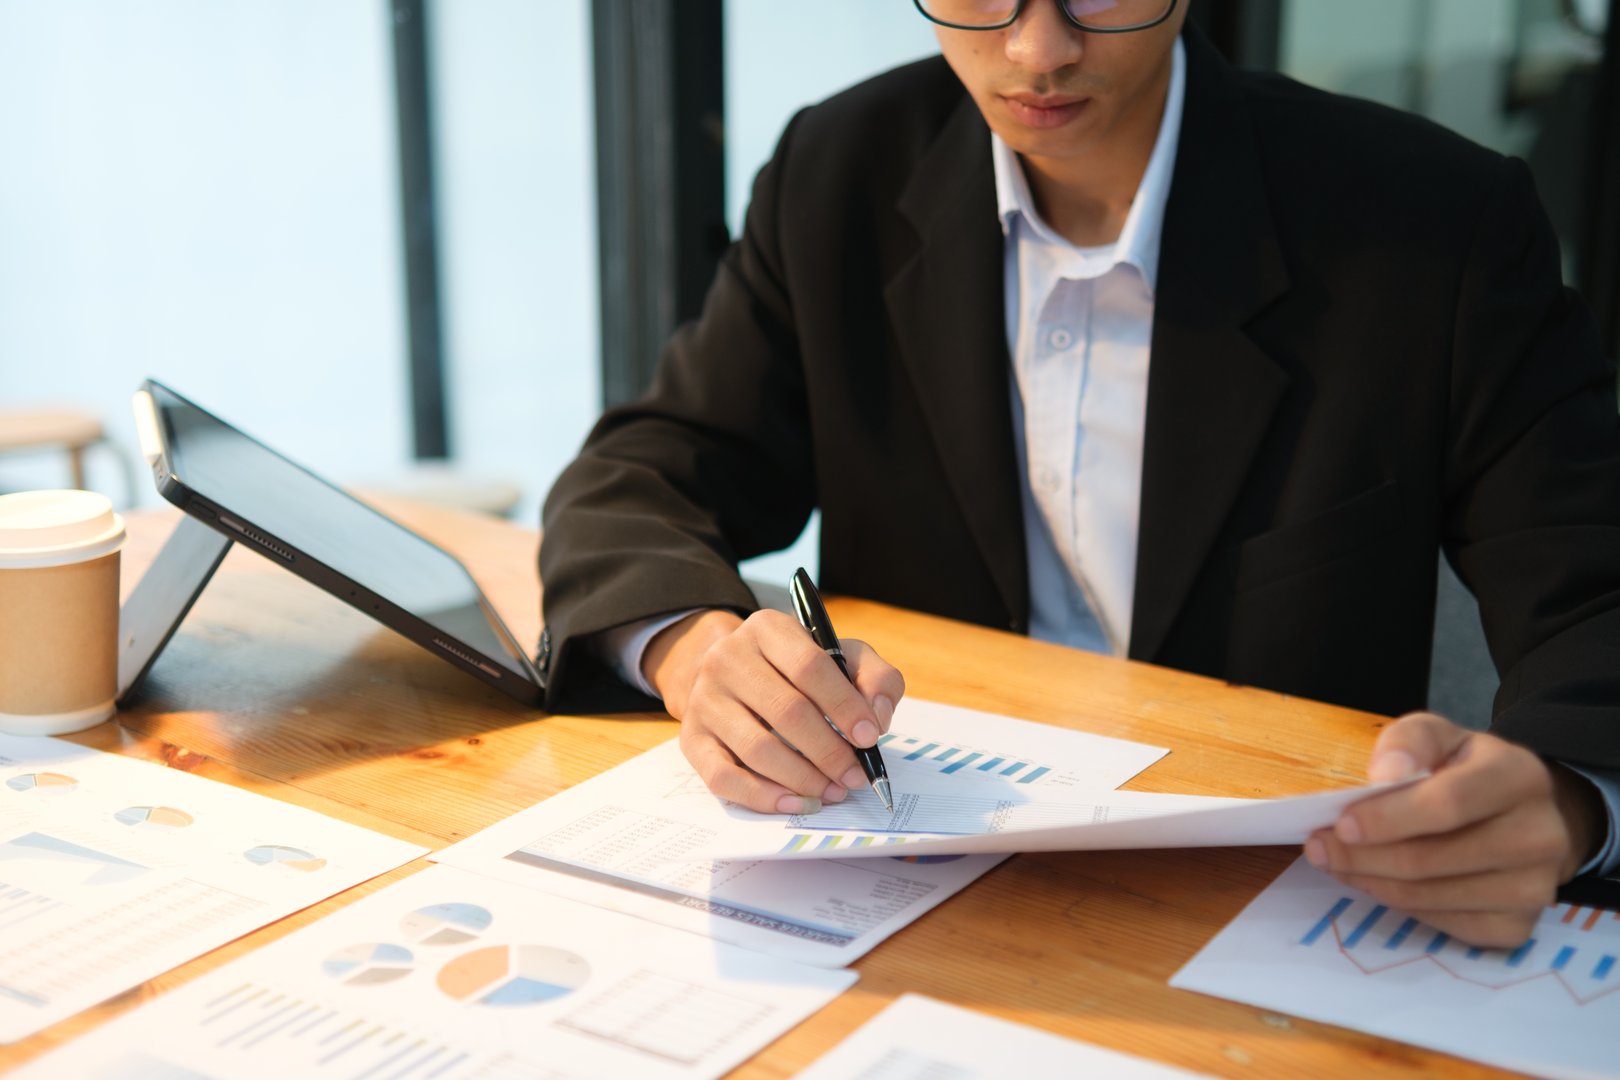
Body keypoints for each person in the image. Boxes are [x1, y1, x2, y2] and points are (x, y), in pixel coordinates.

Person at [538, 0, 1620, 948]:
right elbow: (637, 474)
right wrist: (692, 649)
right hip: (911, 882)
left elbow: (1594, 584)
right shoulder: (841, 170)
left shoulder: (1432, 227)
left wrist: (1573, 799)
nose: (1038, 47)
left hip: (1278, 906)